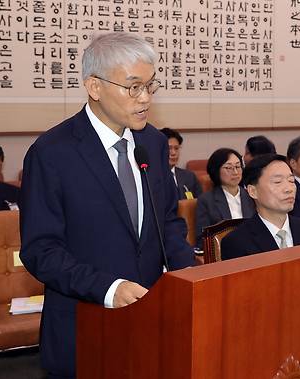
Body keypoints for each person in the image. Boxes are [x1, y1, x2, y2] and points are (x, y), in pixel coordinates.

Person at [19, 32, 195, 378]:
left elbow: (168, 222)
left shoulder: (154, 143)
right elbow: (41, 250)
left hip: (152, 321)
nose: (144, 98)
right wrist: (109, 288)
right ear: (94, 87)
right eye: (133, 87)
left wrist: (186, 275)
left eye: (150, 85)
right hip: (85, 323)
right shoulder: (52, 152)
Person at [221, 154, 300, 260]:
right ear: (253, 191)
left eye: (291, 181)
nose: (289, 189)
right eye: (277, 182)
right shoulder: (237, 243)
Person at [195, 147, 255, 247]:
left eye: (238, 166)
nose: (235, 172)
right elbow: (202, 239)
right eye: (228, 168)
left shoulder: (252, 195)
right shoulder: (206, 200)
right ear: (216, 170)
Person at [160, 127, 202, 199]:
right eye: (169, 148)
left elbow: (201, 204)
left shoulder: (189, 177)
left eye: (176, 148)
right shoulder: (150, 177)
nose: (173, 153)